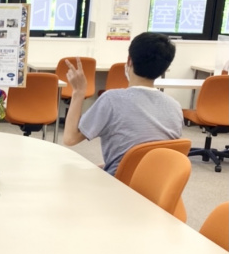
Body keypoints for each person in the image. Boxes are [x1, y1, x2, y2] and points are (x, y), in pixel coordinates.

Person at [63, 32, 183, 175]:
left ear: (129, 61)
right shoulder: (175, 107)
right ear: (165, 68)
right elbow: (150, 155)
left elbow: (70, 138)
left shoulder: (111, 100)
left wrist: (78, 92)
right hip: (154, 184)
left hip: (119, 184)